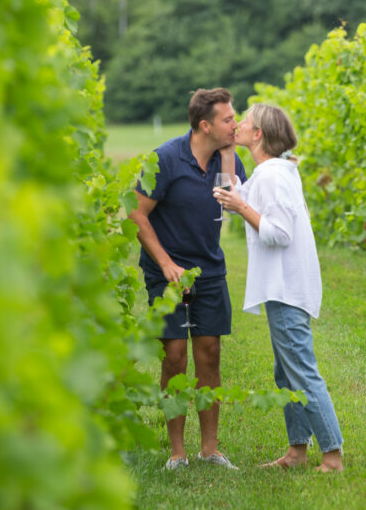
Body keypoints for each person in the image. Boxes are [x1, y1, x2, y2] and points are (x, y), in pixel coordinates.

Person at [214, 103, 343, 472]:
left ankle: (332, 455)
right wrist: (226, 155)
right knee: (285, 373)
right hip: (285, 286)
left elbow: (278, 233)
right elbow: (233, 191)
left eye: (245, 122)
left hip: (286, 288)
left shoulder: (272, 175)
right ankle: (297, 452)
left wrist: (241, 207)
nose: (237, 124)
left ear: (258, 135)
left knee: (301, 371)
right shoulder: (269, 172)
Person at [129, 88, 247, 471]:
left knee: (209, 355)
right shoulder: (165, 159)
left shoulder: (227, 159)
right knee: (175, 358)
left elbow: (233, 198)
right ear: (204, 125)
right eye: (228, 119)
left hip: (209, 270)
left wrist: (228, 152)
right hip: (168, 273)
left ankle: (210, 450)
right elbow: (137, 215)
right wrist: (165, 264)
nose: (236, 124)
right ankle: (177, 453)